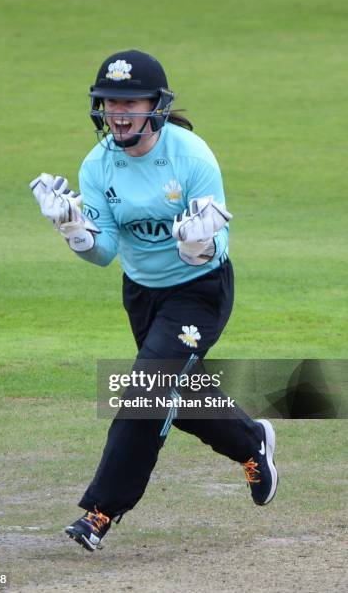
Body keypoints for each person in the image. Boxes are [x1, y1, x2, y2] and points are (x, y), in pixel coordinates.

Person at [29, 50, 278, 552]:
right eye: (109, 102)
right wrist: (74, 229)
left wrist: (197, 243)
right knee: (168, 394)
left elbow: (216, 243)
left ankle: (100, 511)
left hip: (200, 292)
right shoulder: (99, 165)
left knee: (145, 390)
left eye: (129, 101)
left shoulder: (191, 157)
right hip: (142, 295)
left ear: (156, 106)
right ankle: (252, 443)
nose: (118, 113)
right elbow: (104, 253)